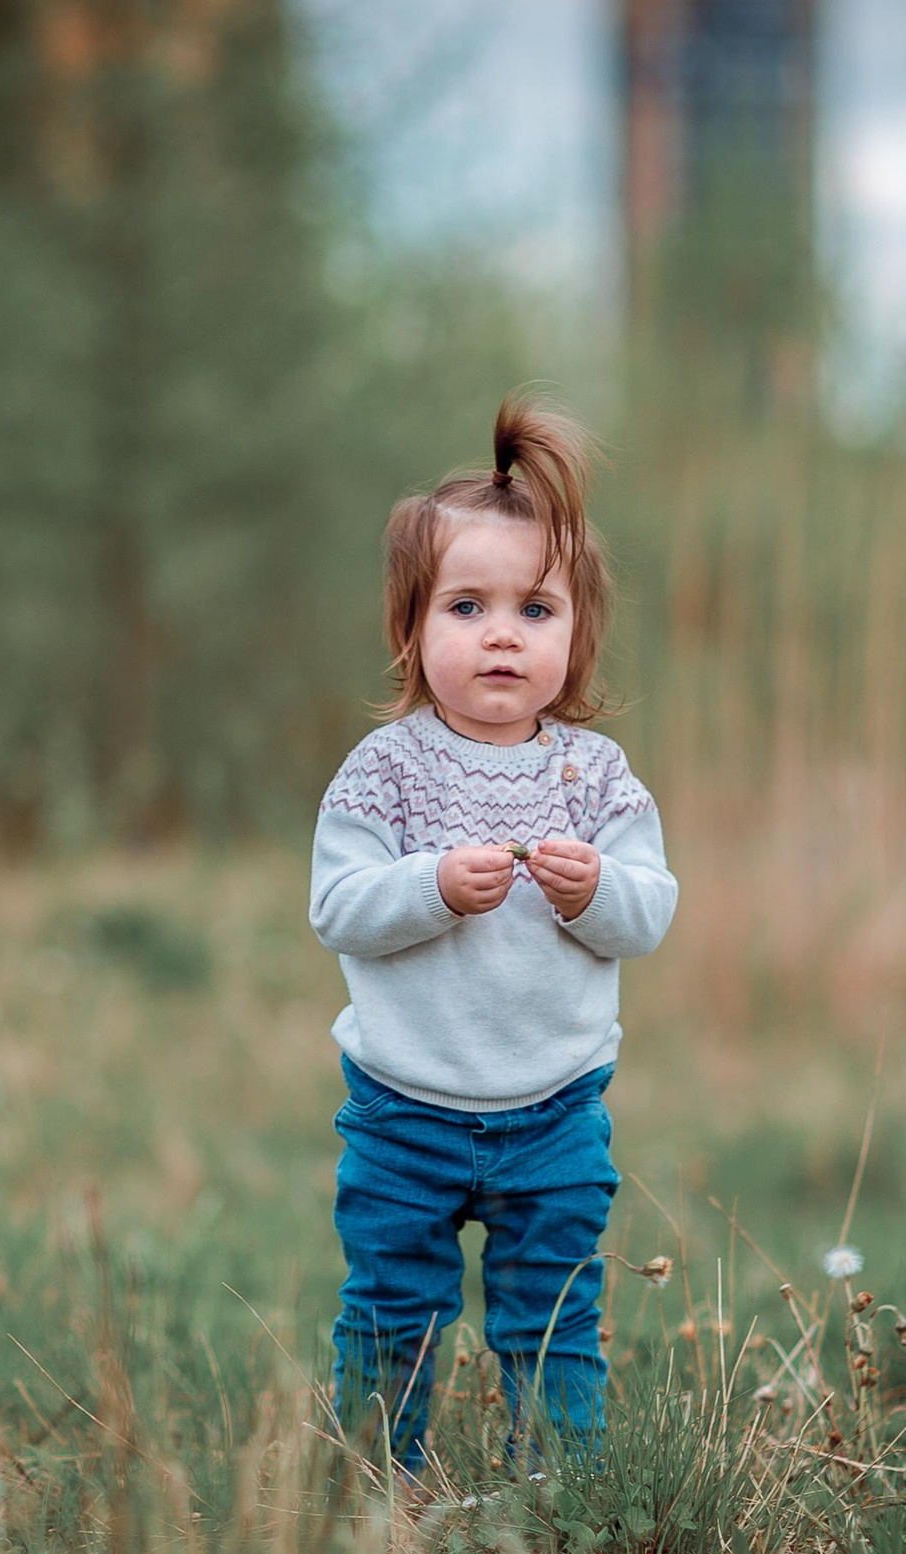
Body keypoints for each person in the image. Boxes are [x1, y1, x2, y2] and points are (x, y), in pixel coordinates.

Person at [308, 390, 678, 1483]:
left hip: (556, 1106)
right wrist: (428, 886)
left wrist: (592, 890)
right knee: (390, 1304)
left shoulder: (593, 775)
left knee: (554, 1310)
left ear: (577, 634)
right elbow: (340, 907)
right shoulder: (386, 771)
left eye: (536, 610)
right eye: (466, 607)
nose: (502, 635)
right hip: (402, 1105)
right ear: (412, 630)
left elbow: (649, 911)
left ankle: (560, 1487)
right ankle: (381, 1474)